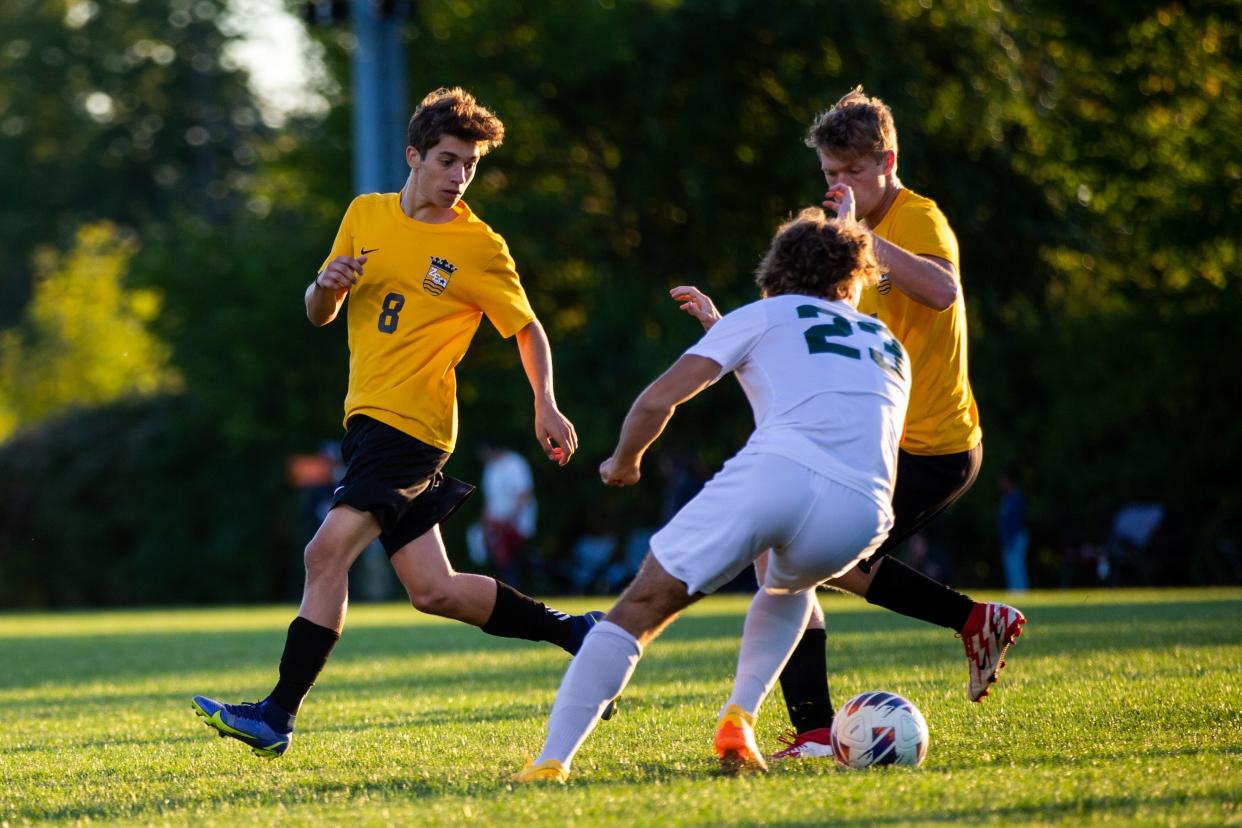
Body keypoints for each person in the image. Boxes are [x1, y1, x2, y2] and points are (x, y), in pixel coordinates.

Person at [192, 87, 603, 758]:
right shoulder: (366, 214)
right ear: (413, 155)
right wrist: (325, 285)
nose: (459, 175)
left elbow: (526, 328)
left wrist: (545, 402)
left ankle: (276, 716)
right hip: (367, 422)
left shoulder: (478, 245)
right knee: (434, 591)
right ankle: (579, 633)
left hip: (413, 426)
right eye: (447, 160)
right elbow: (317, 312)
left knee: (323, 553)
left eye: (470, 164)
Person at [670, 86, 1026, 761]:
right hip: (868, 442)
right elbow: (790, 322)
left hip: (933, 442)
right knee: (787, 560)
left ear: (886, 160)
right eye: (831, 174)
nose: (839, 186)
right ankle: (817, 726)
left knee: (805, 561)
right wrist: (724, 330)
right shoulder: (837, 225)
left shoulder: (918, 218)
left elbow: (943, 291)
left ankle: (965, 626)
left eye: (852, 172)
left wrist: (861, 236)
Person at [512, 207, 910, 783]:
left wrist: (623, 463)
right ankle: (739, 714)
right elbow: (816, 388)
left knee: (641, 607)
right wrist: (729, 330)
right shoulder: (885, 339)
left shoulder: (764, 313)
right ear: (852, 280)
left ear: (774, 273)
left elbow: (656, 401)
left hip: (781, 475)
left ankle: (551, 760)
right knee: (788, 581)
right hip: (864, 510)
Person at [478, 442, 537, 589]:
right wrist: (486, 524)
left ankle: (523, 586)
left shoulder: (515, 463)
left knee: (517, 558)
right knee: (504, 559)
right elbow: (489, 500)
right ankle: (511, 588)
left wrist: (511, 519)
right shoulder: (490, 468)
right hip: (498, 523)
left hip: (516, 522)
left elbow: (524, 494)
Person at [998, 466, 1030, 592]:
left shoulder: (1016, 498)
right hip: (1011, 539)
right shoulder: (1007, 498)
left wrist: (1011, 541)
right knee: (1011, 566)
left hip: (1016, 537)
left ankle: (1021, 591)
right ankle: (1015, 591)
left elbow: (1016, 522)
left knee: (1016, 566)